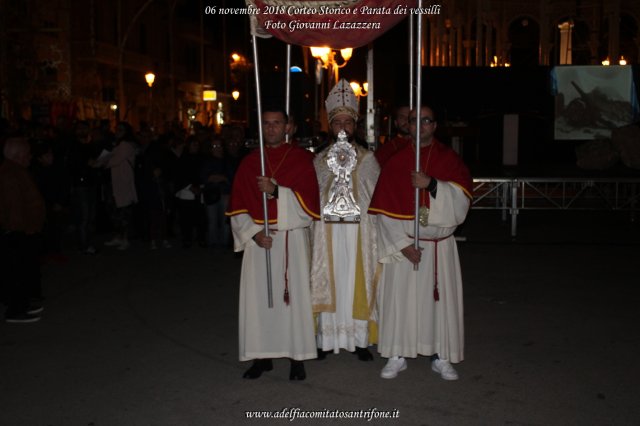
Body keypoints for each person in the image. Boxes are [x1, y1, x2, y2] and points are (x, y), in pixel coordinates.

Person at [368, 105, 473, 380]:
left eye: (426, 120)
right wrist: (402, 244)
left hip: (439, 248)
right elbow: (382, 212)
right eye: (415, 121)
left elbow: (462, 202)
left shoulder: (449, 159)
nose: (421, 125)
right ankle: (397, 354)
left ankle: (441, 355)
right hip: (404, 247)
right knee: (399, 302)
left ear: (434, 125)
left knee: (438, 304)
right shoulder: (395, 162)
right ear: (408, 126)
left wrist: (432, 185)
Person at [226, 107, 320, 380]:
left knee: (293, 301)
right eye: (266, 124)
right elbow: (238, 207)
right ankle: (261, 356)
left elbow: (310, 206)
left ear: (288, 127)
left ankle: (296, 357)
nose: (271, 128)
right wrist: (254, 233)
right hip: (260, 242)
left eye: (277, 123)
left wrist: (277, 191)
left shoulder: (302, 160)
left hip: (292, 239)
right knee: (259, 302)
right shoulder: (250, 162)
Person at [311, 79, 380, 361]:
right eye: (337, 122)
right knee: (331, 280)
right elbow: (311, 196)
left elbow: (375, 197)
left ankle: (359, 339)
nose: (342, 128)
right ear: (330, 125)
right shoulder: (318, 160)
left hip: (357, 235)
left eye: (347, 123)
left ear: (355, 126)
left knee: (355, 280)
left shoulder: (368, 160)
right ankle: (325, 340)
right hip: (326, 232)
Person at [0, 138, 46, 323]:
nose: (30, 157)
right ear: (18, 156)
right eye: (27, 154)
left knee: (22, 270)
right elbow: (14, 206)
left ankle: (22, 304)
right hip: (18, 231)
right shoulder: (10, 173)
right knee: (17, 272)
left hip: (22, 229)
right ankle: (16, 310)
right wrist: (25, 228)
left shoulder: (15, 170)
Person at [102, 122, 139, 250]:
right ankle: (119, 237)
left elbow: (113, 160)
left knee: (123, 213)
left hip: (122, 183)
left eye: (121, 130)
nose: (117, 132)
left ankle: (125, 239)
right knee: (115, 211)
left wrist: (102, 162)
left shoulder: (125, 145)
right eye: (117, 129)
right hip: (116, 182)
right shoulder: (118, 144)